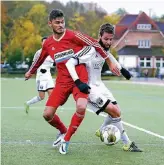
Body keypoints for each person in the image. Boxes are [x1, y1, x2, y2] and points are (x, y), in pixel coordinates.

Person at [25, 9, 120, 155]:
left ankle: (67, 139)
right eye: (57, 23)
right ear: (50, 23)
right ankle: (63, 131)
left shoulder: (74, 35)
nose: (61, 25)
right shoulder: (48, 44)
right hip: (62, 81)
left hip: (80, 78)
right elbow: (40, 59)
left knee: (81, 107)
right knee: (47, 114)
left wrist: (108, 60)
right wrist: (31, 71)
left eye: (62, 22)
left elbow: (95, 43)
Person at [66, 23, 142, 152]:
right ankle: (127, 143)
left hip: (100, 86)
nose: (108, 42)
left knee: (117, 110)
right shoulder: (90, 49)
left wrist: (122, 70)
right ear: (99, 37)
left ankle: (101, 130)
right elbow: (70, 62)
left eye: (111, 39)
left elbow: (109, 57)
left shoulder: (105, 50)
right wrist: (78, 82)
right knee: (115, 112)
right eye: (106, 39)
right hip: (90, 89)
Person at [24, 37, 55, 114]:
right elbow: (34, 64)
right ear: (41, 43)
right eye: (43, 42)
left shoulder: (52, 52)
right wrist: (30, 73)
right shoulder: (38, 53)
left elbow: (52, 64)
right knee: (41, 97)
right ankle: (27, 103)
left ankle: (48, 111)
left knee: (52, 94)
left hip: (48, 76)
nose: (45, 44)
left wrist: (54, 65)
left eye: (46, 42)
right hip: (41, 77)